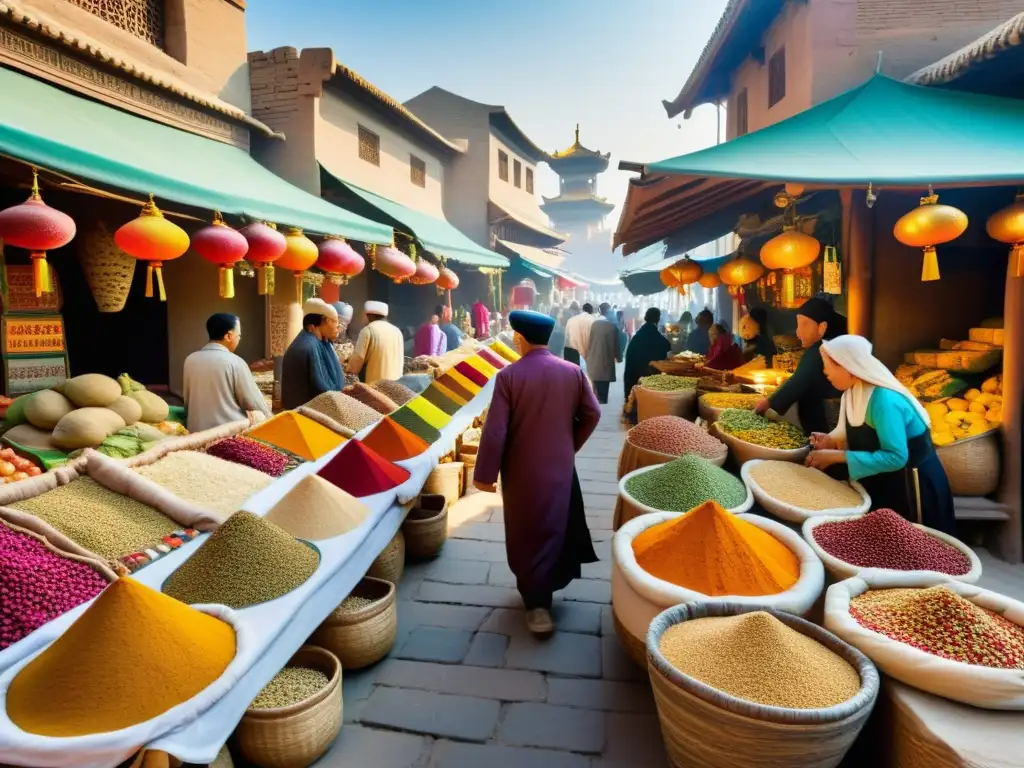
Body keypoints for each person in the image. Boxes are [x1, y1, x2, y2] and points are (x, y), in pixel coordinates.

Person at [473, 310, 601, 635]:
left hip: (520, 472)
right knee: (554, 524)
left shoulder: (510, 377)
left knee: (526, 532)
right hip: (560, 466)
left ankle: (538, 606)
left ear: (519, 338)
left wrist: (484, 475)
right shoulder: (572, 372)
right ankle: (544, 593)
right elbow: (593, 413)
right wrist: (569, 445)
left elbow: (495, 431)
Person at [805, 335, 956, 535]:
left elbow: (896, 457)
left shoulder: (884, 401)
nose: (824, 372)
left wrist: (835, 456)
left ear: (848, 367)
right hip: (886, 481)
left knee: (918, 545)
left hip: (913, 485)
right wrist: (829, 439)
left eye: (828, 366)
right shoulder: (852, 392)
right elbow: (848, 429)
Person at [755, 297, 844, 435]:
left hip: (825, 427)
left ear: (822, 327)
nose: (797, 332)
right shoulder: (831, 345)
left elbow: (799, 380)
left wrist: (767, 403)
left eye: (804, 325)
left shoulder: (820, 350)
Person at [182, 313, 272, 433]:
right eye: (238, 335)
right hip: (228, 436)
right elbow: (254, 403)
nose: (239, 339)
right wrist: (273, 421)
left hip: (196, 433)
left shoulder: (190, 360)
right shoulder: (235, 362)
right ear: (228, 336)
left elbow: (187, 402)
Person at [281, 299, 343, 410]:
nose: (338, 328)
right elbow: (323, 387)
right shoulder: (310, 345)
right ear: (324, 321)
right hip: (306, 411)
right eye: (335, 322)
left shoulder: (319, 341)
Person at [345, 300, 404, 384]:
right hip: (397, 385)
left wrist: (347, 369)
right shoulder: (397, 331)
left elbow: (357, 361)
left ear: (367, 316)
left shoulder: (368, 330)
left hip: (377, 386)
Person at [623, 307, 672, 402]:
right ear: (658, 319)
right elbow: (667, 346)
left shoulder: (639, 334)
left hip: (632, 377)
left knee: (633, 404)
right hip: (645, 378)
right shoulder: (653, 333)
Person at [587, 303, 622, 404]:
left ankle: (595, 397)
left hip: (594, 356)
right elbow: (616, 345)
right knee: (605, 379)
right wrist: (619, 357)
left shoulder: (595, 324)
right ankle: (603, 398)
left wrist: (588, 353)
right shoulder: (612, 326)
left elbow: (590, 342)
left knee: (596, 377)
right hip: (607, 356)